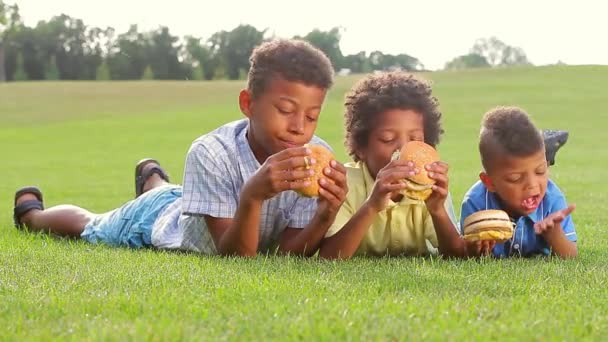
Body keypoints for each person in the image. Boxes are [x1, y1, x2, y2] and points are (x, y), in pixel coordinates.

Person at [12, 39, 348, 257]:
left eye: (312, 116)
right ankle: (33, 215)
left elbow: (286, 256)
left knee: (172, 193)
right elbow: (235, 257)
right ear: (248, 103)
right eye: (286, 110)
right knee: (92, 225)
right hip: (158, 221)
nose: (298, 126)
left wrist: (325, 214)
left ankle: (153, 179)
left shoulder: (316, 156)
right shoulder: (211, 153)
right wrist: (253, 195)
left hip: (189, 199)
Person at [318, 72, 478, 259]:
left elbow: (457, 256)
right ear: (361, 147)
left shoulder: (429, 187)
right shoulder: (344, 184)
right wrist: (371, 206)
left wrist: (437, 210)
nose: (403, 149)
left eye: (415, 139)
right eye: (387, 139)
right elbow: (328, 258)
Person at [459, 106, 577, 258]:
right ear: (490, 183)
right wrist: (475, 250)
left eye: (540, 171)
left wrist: (554, 234)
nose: (532, 185)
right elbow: (465, 253)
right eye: (516, 178)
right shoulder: (476, 203)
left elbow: (571, 256)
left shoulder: (552, 199)